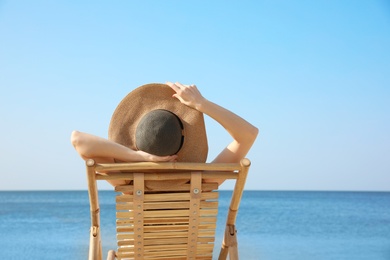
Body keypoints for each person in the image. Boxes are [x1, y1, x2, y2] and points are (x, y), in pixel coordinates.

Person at [71, 82, 258, 186]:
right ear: (184, 136)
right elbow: (249, 134)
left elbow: (78, 139)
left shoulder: (126, 183)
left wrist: (138, 156)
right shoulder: (203, 181)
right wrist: (201, 103)